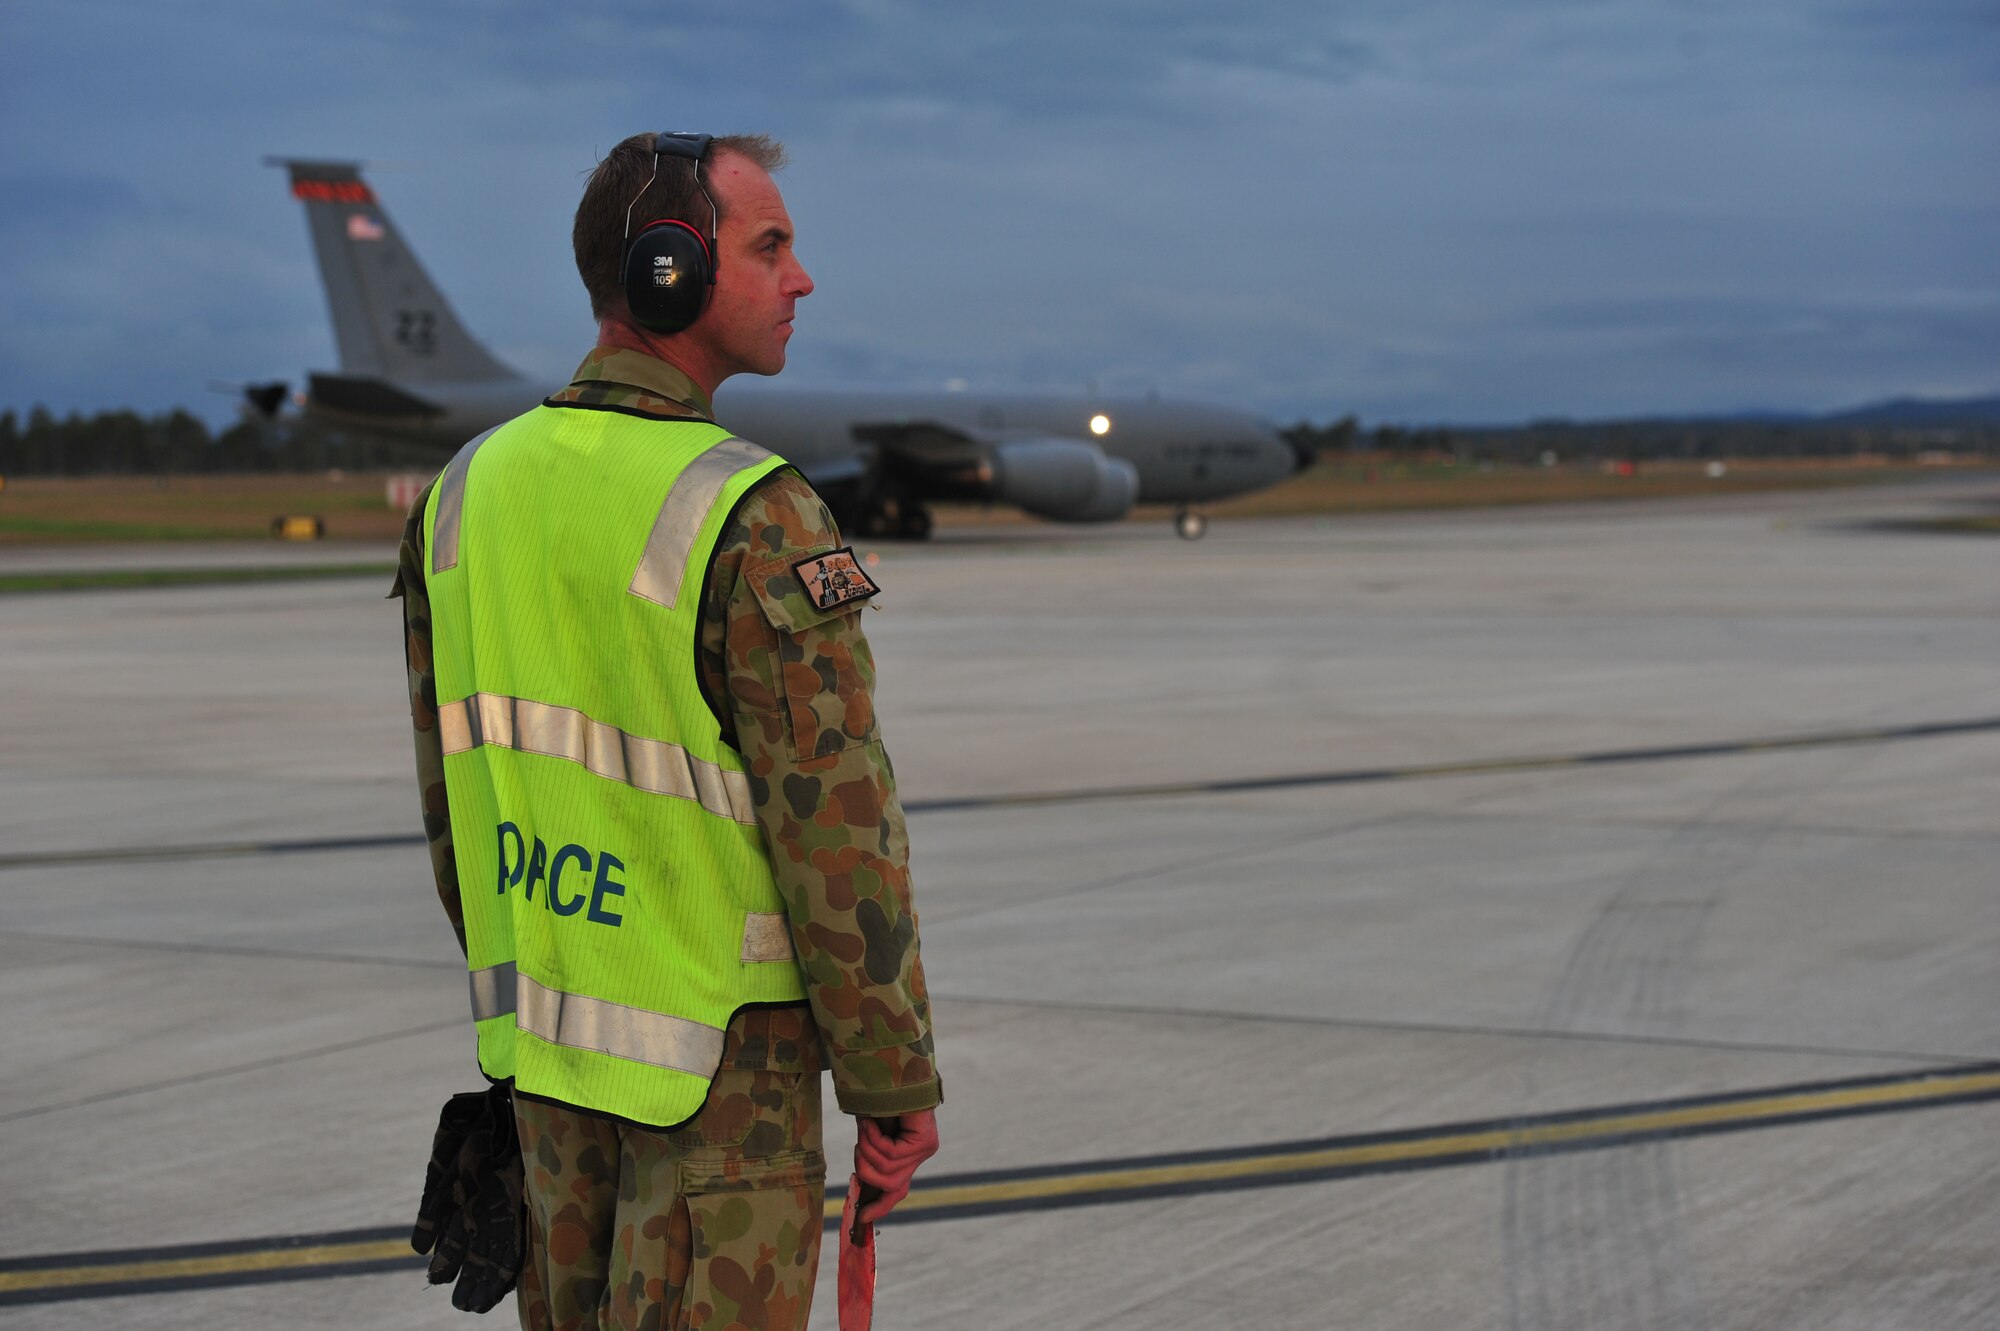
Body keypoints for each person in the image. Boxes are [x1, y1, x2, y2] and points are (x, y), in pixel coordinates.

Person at [393, 131, 940, 1331]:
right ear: (666, 274)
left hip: (543, 1055)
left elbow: (456, 809)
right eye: (771, 246)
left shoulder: (463, 495)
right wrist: (891, 1075)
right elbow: (835, 830)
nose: (802, 279)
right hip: (720, 1079)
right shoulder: (754, 509)